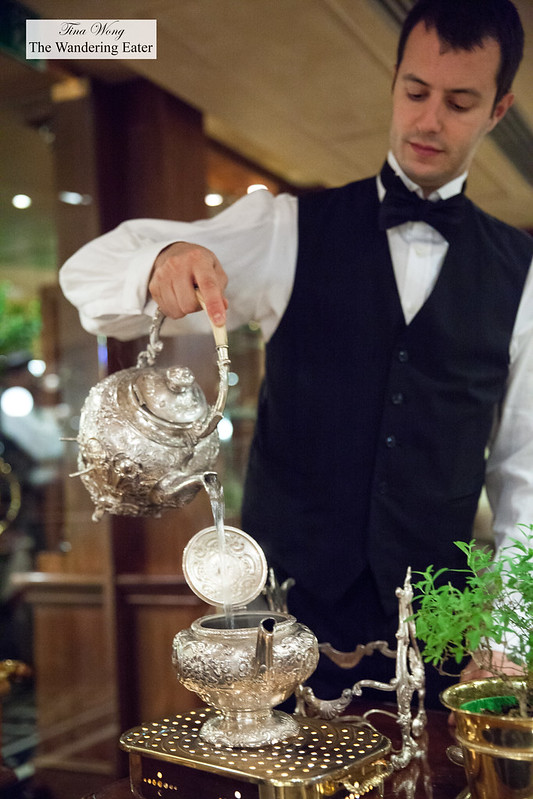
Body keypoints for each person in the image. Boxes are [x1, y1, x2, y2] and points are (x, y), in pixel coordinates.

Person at [60, 0, 533, 707]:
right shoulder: (285, 229)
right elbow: (91, 272)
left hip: (440, 653)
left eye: (459, 101)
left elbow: (523, 472)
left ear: (498, 110)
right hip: (275, 647)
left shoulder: (521, 272)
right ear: (393, 83)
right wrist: (164, 257)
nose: (429, 120)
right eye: (414, 92)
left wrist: (509, 633)